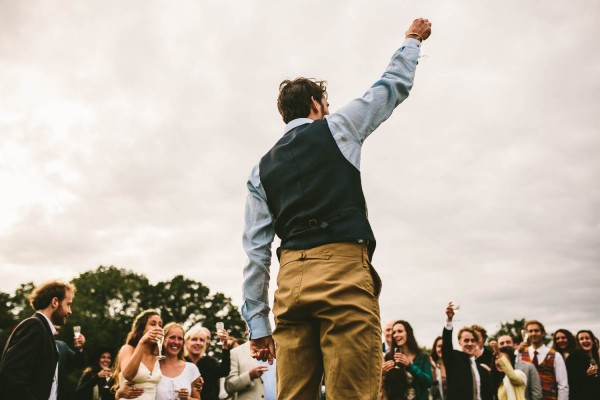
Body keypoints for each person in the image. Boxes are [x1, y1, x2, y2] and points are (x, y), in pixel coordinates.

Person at [241, 17, 433, 399]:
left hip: (289, 281)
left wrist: (258, 324)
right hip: (342, 272)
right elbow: (390, 87)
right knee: (351, 393)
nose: (328, 110)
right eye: (325, 104)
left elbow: (256, 250)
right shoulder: (338, 127)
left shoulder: (259, 170)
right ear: (316, 103)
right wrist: (412, 40)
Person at [0, 280, 75, 400]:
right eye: (68, 304)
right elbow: (12, 377)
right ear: (55, 302)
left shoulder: (44, 330)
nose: (70, 311)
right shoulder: (34, 326)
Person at [442, 302, 492, 400]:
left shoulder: (482, 369)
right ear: (459, 342)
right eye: (466, 340)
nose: (470, 344)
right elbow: (446, 345)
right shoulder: (454, 360)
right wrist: (449, 320)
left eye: (473, 341)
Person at [113, 309, 164, 400]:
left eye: (160, 325)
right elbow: (128, 375)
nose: (158, 328)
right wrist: (142, 342)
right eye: (153, 324)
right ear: (141, 328)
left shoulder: (158, 355)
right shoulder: (127, 349)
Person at [379, 320, 432, 400]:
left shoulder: (423, 357)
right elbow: (386, 386)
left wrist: (410, 366)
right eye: (394, 332)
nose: (396, 335)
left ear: (408, 333)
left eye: (400, 331)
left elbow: (428, 382)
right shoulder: (389, 357)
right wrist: (382, 374)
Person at [519, 320, 568, 400]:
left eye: (536, 330)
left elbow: (563, 385)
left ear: (543, 333)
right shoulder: (521, 354)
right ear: (527, 334)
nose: (533, 333)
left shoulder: (555, 355)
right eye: (530, 331)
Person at [156, 322, 202, 400]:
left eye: (180, 338)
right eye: (172, 337)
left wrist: (187, 398)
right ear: (163, 340)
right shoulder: (153, 366)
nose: (176, 342)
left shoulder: (191, 368)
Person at [184, 325, 231, 400]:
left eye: (202, 340)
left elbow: (224, 371)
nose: (198, 343)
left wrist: (225, 346)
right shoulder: (181, 361)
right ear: (186, 342)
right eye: (194, 339)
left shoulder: (210, 362)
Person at [497, 335, 542, 400]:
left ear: (514, 345)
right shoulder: (495, 368)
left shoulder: (529, 367)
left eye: (508, 342)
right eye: (502, 343)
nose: (505, 345)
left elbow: (536, 394)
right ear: (498, 347)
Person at [55, 324, 86, 400]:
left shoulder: (62, 346)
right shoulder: (37, 343)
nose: (55, 332)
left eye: (58, 330)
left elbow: (79, 363)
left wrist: (79, 348)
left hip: (59, 394)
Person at [566, 330, 600, 399]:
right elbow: (571, 381)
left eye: (587, 338)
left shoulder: (596, 355)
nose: (585, 341)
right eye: (581, 339)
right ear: (578, 343)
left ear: (593, 341)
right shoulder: (573, 358)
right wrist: (586, 374)